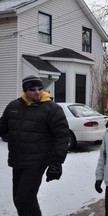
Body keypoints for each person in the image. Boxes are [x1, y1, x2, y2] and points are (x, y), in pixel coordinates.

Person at [0, 75, 69, 216]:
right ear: (25, 90)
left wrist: (57, 163)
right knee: (19, 200)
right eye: (32, 89)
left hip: (38, 161)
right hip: (18, 160)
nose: (38, 92)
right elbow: (3, 127)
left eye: (40, 88)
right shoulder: (13, 106)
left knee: (23, 199)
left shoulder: (52, 109)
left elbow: (62, 136)